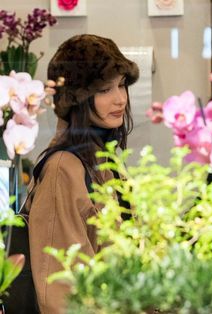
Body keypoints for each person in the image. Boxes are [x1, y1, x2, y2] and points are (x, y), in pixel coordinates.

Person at [26, 34, 139, 314]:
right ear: (76, 99)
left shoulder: (102, 160)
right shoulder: (63, 169)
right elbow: (61, 293)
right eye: (104, 89)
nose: (120, 99)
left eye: (122, 85)